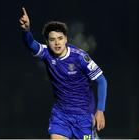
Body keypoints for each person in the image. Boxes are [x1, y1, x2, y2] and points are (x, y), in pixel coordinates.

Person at [19, 7, 107, 139]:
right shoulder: (46, 53)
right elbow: (31, 44)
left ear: (66, 39)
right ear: (47, 42)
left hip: (83, 116)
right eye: (52, 39)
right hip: (61, 116)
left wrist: (100, 111)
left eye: (60, 38)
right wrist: (26, 30)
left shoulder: (80, 57)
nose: (57, 43)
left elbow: (101, 80)